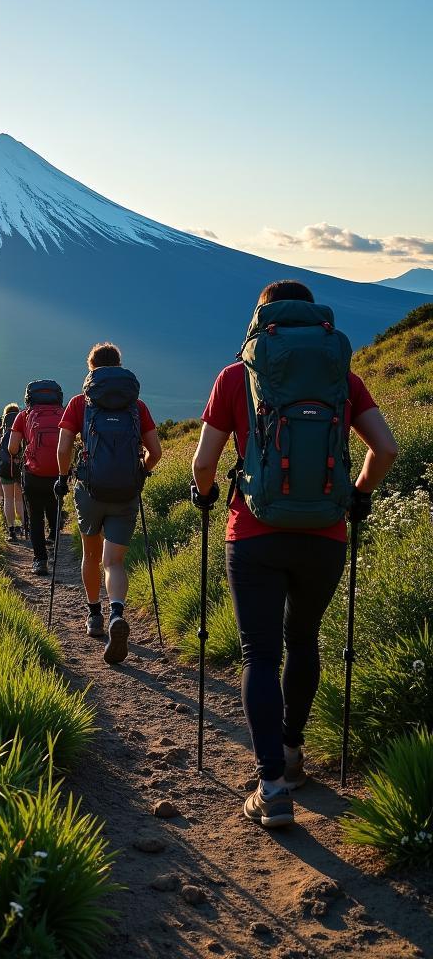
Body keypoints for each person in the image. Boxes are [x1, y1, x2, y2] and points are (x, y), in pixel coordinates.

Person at [191, 279, 397, 828]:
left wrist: (205, 495)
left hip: (254, 533)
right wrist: (358, 494)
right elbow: (387, 448)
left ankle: (272, 787)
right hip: (324, 534)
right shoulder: (341, 376)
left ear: (266, 321)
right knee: (302, 639)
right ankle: (292, 751)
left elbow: (203, 463)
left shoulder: (238, 375)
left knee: (260, 652)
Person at [56, 343, 162, 663]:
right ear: (119, 366)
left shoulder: (79, 403)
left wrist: (63, 478)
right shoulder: (136, 406)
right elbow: (155, 452)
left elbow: (63, 449)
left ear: (91, 369)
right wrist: (141, 472)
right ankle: (117, 613)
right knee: (113, 561)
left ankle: (95, 617)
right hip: (126, 492)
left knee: (91, 554)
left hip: (90, 491)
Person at [8, 380, 65, 576]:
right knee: (54, 507)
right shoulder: (64, 413)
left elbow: (12, 448)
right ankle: (55, 541)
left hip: (33, 475)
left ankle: (40, 560)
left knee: (35, 517)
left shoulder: (23, 416)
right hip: (59, 473)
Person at [0, 403, 23, 540]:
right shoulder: (21, 424)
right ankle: (23, 528)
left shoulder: (3, 431)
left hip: (5, 468)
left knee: (8, 499)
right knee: (19, 500)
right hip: (19, 468)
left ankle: (12, 531)